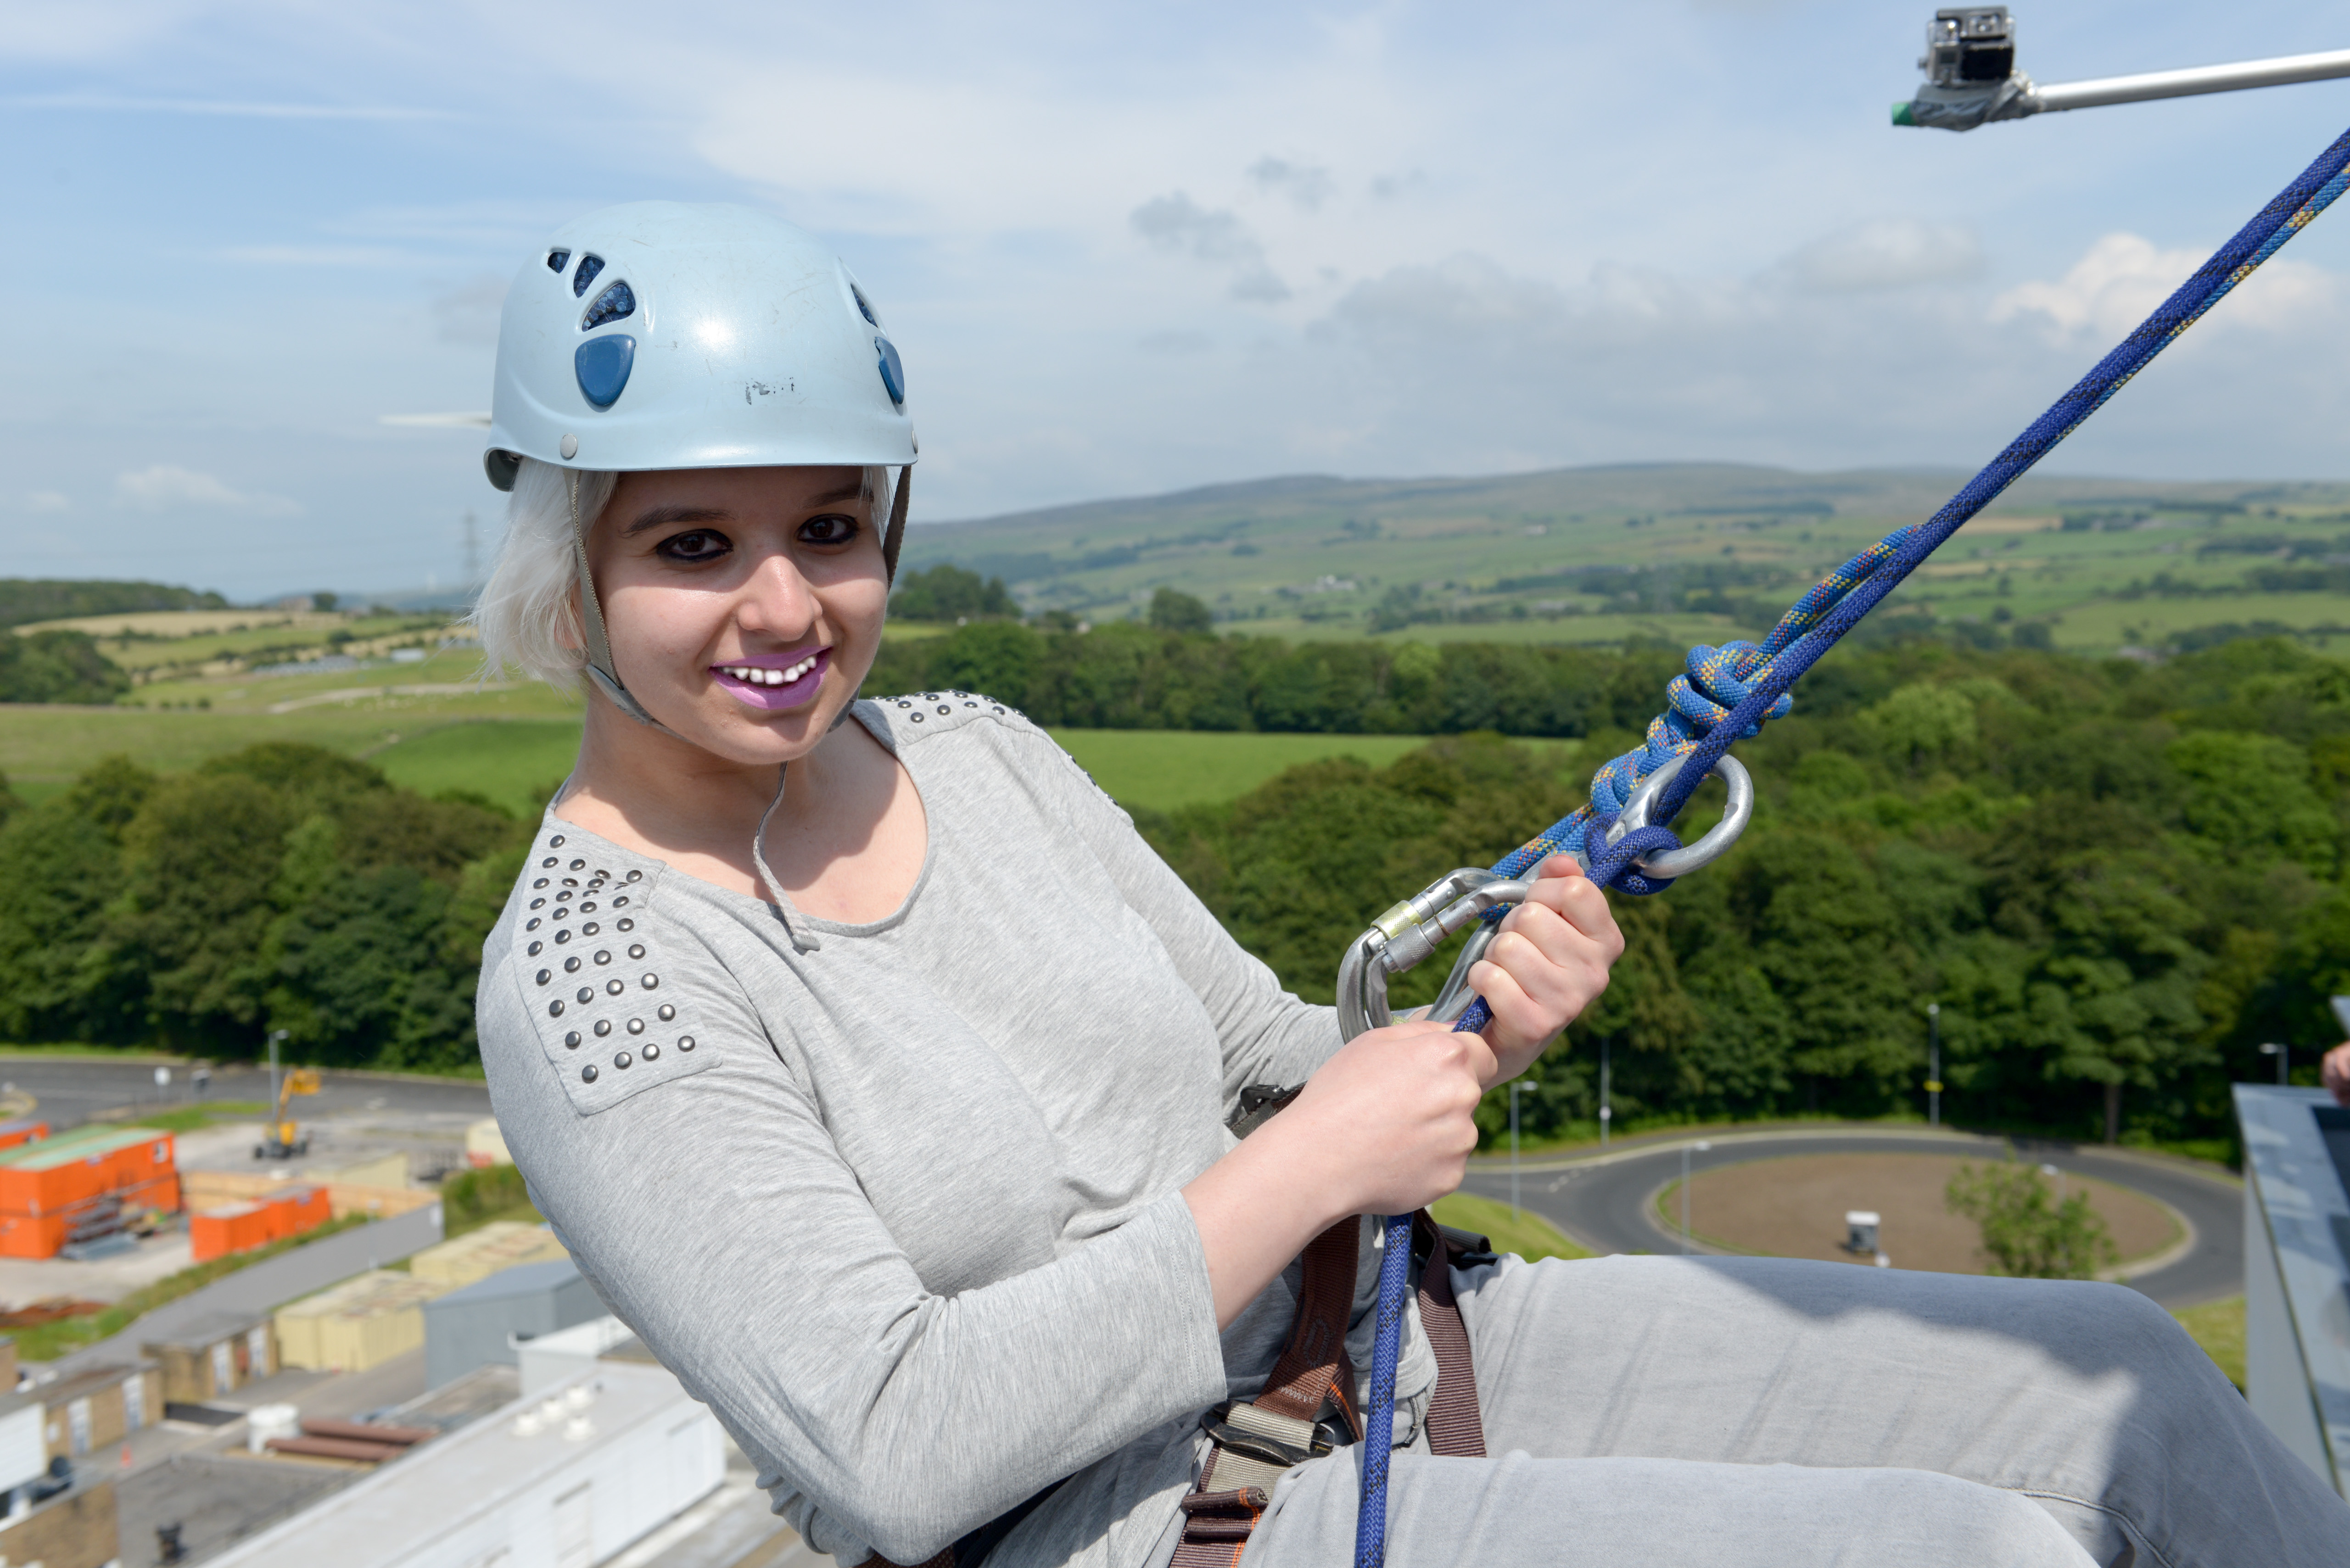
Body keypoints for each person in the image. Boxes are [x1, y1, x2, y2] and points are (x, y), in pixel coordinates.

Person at [471, 203, 2348, 1568]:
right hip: (1113, 1527)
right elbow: (887, 1446)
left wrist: (1480, 1026)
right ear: (568, 565)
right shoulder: (599, 974)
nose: (788, 608)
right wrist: (1310, 1163)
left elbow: (1281, 1063)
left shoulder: (972, 749)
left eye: (827, 529)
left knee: (2120, 1379)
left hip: (1380, 1327)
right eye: (693, 543)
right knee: (1964, 1561)